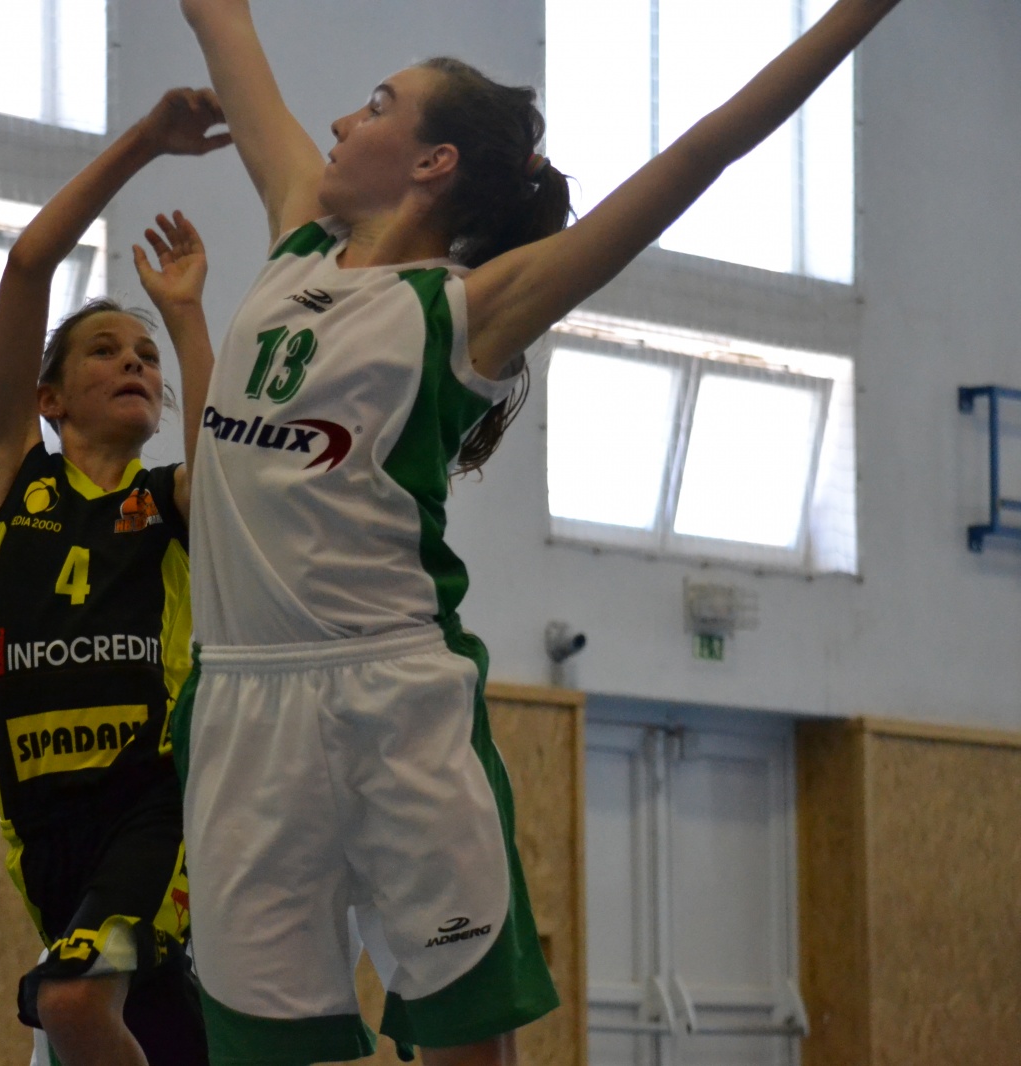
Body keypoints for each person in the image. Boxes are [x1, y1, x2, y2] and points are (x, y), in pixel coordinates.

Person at [172, 1, 908, 1064]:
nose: (336, 122)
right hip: (241, 700)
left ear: (432, 162)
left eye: (374, 106)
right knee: (265, 1050)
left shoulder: (469, 306)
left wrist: (856, 15)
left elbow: (704, 149)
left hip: (392, 703)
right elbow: (221, 21)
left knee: (470, 1043)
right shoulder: (296, 238)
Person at [0, 87, 229, 1066]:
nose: (136, 364)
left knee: (74, 1002)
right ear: (48, 395)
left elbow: (227, 460)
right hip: (40, 824)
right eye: (107, 351)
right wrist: (145, 142)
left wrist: (185, 315)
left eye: (148, 359)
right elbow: (28, 263)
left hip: (151, 805)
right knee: (153, 1030)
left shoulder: (169, 502)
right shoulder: (13, 483)